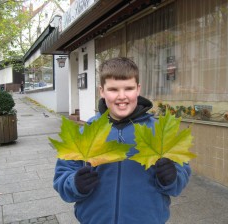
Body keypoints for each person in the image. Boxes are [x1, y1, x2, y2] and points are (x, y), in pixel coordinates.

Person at [53, 57, 191, 224]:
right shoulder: (84, 133)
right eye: (113, 89)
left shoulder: (159, 131)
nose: (122, 96)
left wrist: (171, 177)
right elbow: (62, 177)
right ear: (101, 91)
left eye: (129, 88)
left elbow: (181, 176)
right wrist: (75, 184)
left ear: (138, 89)